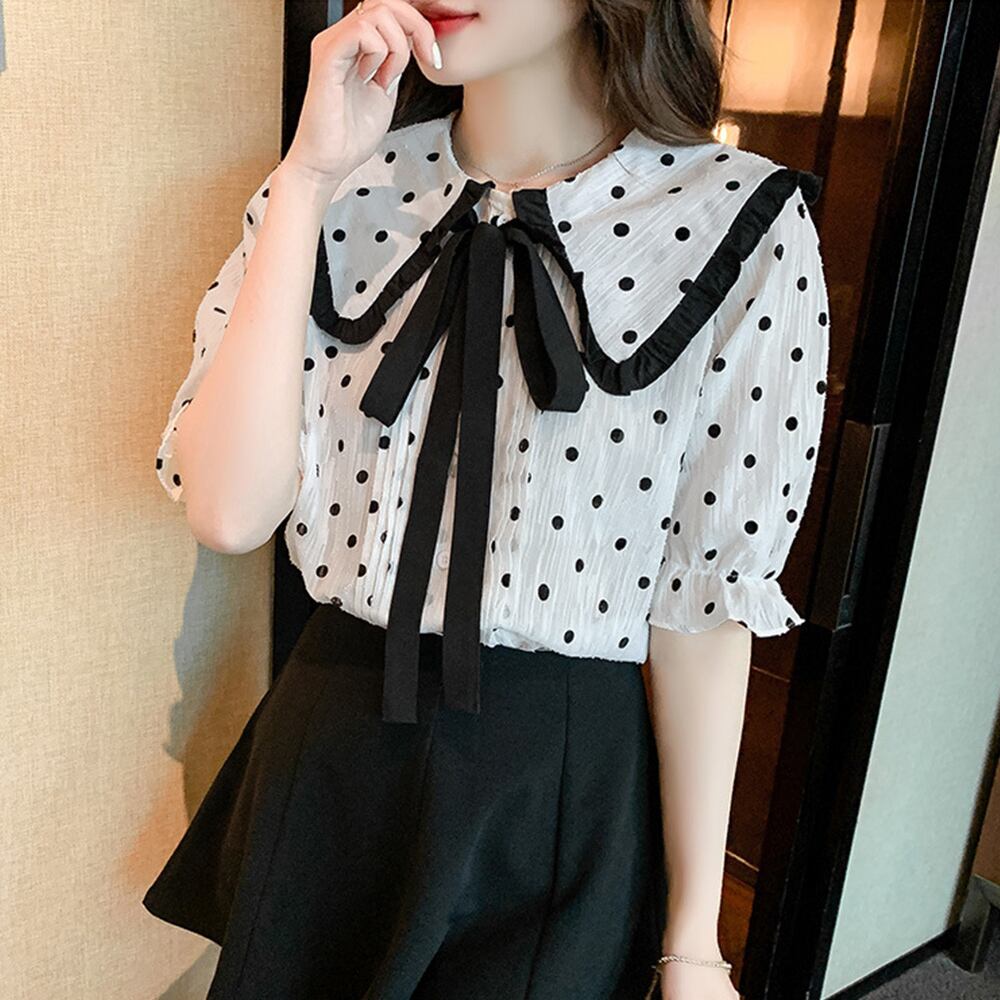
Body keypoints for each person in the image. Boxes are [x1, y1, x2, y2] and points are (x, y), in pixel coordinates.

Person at [142, 1, 831, 997]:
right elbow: (229, 511)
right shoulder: (340, 186)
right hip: (332, 742)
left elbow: (702, 604)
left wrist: (694, 942)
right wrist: (304, 183)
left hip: (553, 782)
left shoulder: (741, 221)